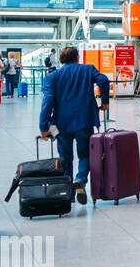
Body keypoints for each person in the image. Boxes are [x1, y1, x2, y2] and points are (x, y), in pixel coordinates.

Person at [39, 46, 110, 205]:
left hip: (61, 124)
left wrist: (44, 127)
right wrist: (104, 101)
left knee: (65, 158)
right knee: (85, 155)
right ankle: (80, 179)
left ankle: (69, 194)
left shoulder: (52, 77)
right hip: (85, 121)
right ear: (78, 57)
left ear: (60, 60)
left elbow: (47, 102)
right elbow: (103, 80)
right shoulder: (87, 69)